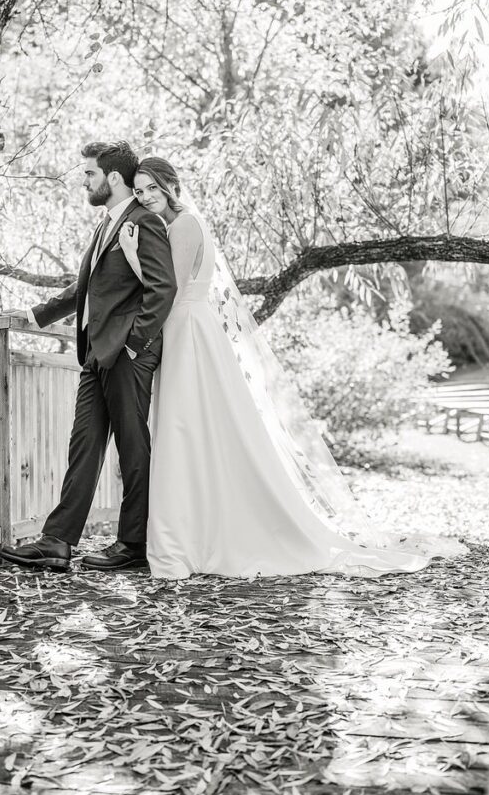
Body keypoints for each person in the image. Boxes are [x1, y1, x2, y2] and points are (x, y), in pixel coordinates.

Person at [119, 156, 467, 579]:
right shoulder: (180, 223)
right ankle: (195, 526)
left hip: (189, 329)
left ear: (171, 185)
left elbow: (167, 289)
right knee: (190, 429)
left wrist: (133, 254)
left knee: (185, 426)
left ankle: (195, 535)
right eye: (139, 191)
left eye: (152, 187)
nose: (146, 196)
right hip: (187, 329)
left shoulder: (185, 224)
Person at [0, 142, 177, 573]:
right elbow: (88, 289)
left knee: (133, 448)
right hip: (96, 353)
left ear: (113, 178)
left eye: (89, 174)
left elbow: (162, 289)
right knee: (83, 445)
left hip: (128, 355)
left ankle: (134, 544)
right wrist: (33, 315)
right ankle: (57, 542)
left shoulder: (144, 222)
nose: (84, 181)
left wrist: (134, 344)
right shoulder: (106, 225)